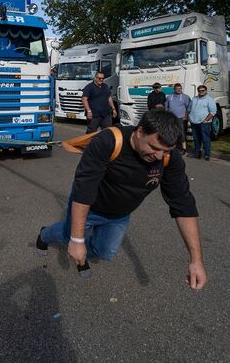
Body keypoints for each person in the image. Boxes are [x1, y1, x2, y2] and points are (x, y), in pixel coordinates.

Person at [36, 110, 207, 290]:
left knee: (105, 252)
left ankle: (82, 252)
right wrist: (77, 240)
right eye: (154, 147)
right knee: (67, 235)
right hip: (90, 207)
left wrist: (196, 260)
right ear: (140, 132)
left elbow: (183, 204)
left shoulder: (168, 158)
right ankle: (45, 235)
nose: (158, 156)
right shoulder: (108, 141)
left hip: (119, 215)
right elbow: (84, 189)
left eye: (165, 151)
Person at [188, 85, 217, 161]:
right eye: (199, 91)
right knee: (196, 139)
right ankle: (197, 153)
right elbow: (189, 108)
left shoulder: (209, 99)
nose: (201, 92)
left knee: (205, 139)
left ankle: (207, 155)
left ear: (206, 91)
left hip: (204, 123)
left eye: (202, 90)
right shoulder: (194, 98)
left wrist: (206, 120)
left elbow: (213, 112)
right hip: (194, 122)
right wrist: (189, 117)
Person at [166, 83, 191, 154]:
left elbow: (188, 108)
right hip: (171, 119)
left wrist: (186, 116)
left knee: (182, 134)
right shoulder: (169, 97)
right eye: (177, 88)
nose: (179, 90)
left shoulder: (185, 97)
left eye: (180, 88)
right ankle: (173, 148)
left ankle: (184, 149)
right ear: (174, 89)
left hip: (181, 118)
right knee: (172, 133)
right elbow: (166, 107)